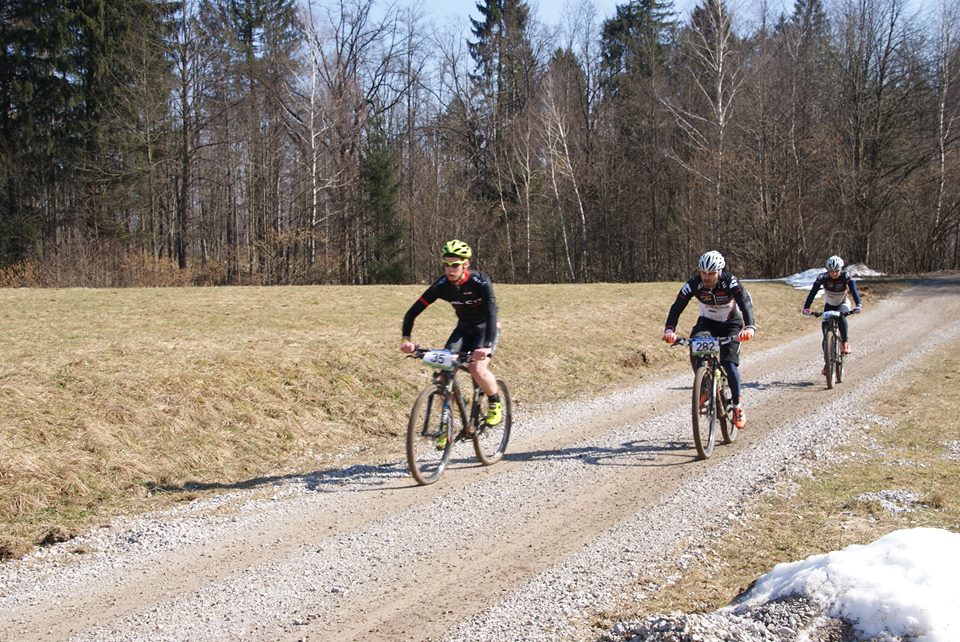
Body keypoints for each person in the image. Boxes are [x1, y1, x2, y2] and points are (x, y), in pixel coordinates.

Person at [400, 240, 502, 443]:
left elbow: (491, 313)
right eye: (447, 264)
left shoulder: (480, 282)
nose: (450, 269)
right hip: (463, 328)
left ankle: (494, 402)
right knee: (444, 375)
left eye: (455, 265)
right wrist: (406, 340)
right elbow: (412, 312)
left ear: (466, 265)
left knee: (477, 369)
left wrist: (487, 347)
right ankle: (446, 425)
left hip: (485, 328)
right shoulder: (441, 285)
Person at [662, 250, 756, 430]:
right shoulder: (694, 284)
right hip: (707, 323)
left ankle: (737, 406)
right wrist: (669, 329)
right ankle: (705, 385)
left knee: (729, 364)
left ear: (719, 272)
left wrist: (749, 326)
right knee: (695, 344)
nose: (706, 277)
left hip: (731, 324)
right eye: (703, 272)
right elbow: (677, 306)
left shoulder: (729, 281)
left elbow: (744, 301)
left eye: (711, 273)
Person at [801, 255, 862, 373]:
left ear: (841, 269)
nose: (834, 273)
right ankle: (827, 362)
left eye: (837, 271)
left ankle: (845, 343)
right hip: (829, 305)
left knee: (841, 316)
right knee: (825, 334)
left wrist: (858, 304)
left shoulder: (846, 276)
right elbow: (813, 292)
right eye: (831, 271)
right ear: (827, 270)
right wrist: (806, 308)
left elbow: (854, 290)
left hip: (843, 303)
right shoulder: (822, 277)